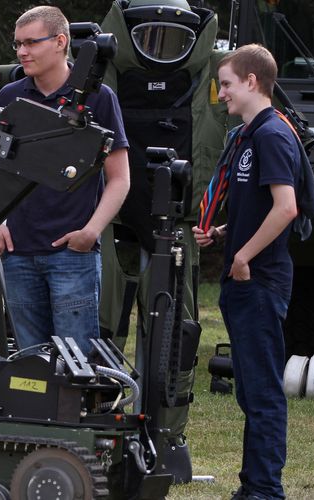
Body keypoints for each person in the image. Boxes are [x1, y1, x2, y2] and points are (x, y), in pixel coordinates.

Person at [98, 0, 232, 482]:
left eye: (172, 38)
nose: (160, 49)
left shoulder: (219, 75)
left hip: (175, 222)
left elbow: (247, 137)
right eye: (148, 36)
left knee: (176, 336)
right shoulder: (100, 68)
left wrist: (217, 216)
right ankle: (100, 429)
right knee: (102, 327)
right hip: (107, 220)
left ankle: (169, 438)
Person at [193, 44, 314, 500]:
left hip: (259, 280)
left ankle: (265, 490)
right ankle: (252, 487)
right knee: (250, 392)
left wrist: (243, 255)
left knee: (262, 394)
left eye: (226, 83)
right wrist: (225, 233)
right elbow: (262, 206)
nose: (221, 93)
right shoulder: (246, 135)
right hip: (243, 276)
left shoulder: (270, 135)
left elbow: (286, 208)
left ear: (250, 81)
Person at [0, 5, 130, 355]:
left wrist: (91, 232)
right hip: (18, 252)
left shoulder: (98, 98)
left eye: (31, 42)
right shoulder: (11, 96)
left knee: (74, 366)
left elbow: (120, 178)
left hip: (72, 254)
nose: (22, 52)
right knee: (29, 367)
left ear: (60, 42)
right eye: (18, 44)